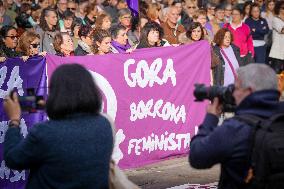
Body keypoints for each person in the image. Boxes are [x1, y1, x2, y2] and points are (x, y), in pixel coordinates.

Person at [3, 64, 114, 189]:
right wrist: (53, 106)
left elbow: (13, 159)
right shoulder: (104, 125)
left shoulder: (45, 132)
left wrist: (14, 120)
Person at [190, 63, 284, 189]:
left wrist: (211, 117)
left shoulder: (235, 129)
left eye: (236, 88)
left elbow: (197, 156)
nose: (232, 93)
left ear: (249, 91)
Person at [269, 1, 284, 74]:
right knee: (276, 74)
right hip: (278, 52)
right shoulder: (275, 19)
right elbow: (282, 30)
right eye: (283, 8)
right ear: (278, 9)